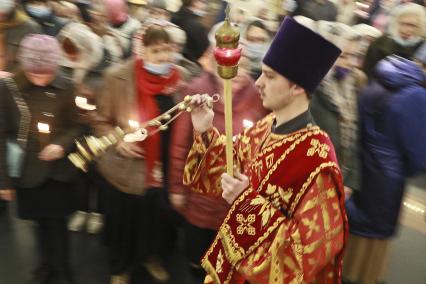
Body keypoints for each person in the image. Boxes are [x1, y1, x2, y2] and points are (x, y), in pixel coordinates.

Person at [183, 17, 347, 283]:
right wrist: (205, 130)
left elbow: (313, 252)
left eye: (269, 76)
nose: (258, 83)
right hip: (235, 265)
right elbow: (229, 164)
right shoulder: (267, 125)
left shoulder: (317, 159)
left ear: (296, 87)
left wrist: (247, 203)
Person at [169, 45, 268, 283]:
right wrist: (176, 187)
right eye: (232, 66)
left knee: (227, 257)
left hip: (234, 197)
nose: (239, 72)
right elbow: (181, 146)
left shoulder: (257, 96)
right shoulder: (197, 92)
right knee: (197, 253)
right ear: (215, 67)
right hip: (200, 194)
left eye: (244, 66)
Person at [93, 23, 182, 284]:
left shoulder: (179, 80)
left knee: (155, 221)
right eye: (156, 51)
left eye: (168, 51)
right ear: (143, 50)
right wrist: (118, 140)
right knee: (125, 222)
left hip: (162, 167)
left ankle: (150, 257)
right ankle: (121, 267)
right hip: (126, 167)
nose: (164, 58)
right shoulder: (117, 77)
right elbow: (99, 120)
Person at [0, 34, 81, 284]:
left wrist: (61, 144)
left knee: (59, 225)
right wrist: (3, 182)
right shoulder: (8, 89)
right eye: (35, 73)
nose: (41, 78)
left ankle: (62, 268)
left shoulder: (67, 86)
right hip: (26, 171)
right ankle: (44, 266)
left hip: (58, 172)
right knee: (39, 224)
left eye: (46, 72)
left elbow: (77, 126)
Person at [343, 50, 426, 284]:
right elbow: (418, 153)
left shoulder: (380, 78)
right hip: (388, 177)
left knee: (353, 226)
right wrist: (406, 169)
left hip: (361, 168)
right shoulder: (418, 95)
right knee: (373, 240)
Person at [311, 22, 365, 196]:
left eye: (354, 56)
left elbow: (353, 138)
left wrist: (350, 181)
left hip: (339, 182)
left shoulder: (350, 87)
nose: (350, 63)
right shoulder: (309, 90)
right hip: (314, 186)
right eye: (343, 56)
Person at [362, 3, 426, 78]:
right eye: (402, 24)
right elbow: (368, 71)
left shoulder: (422, 49)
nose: (406, 29)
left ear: (420, 27)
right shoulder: (381, 43)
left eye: (412, 25)